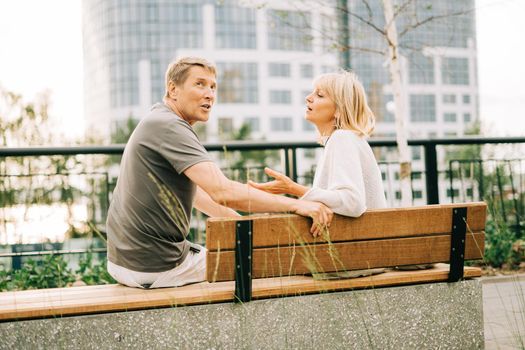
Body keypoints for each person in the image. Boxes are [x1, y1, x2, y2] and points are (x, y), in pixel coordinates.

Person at [106, 56, 333, 289]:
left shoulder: (159, 119)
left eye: (213, 87)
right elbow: (223, 191)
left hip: (123, 262)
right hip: (155, 266)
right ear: (173, 89)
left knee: (249, 253)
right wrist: (297, 205)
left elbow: (199, 196)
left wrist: (244, 227)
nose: (210, 94)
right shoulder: (169, 126)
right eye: (200, 84)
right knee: (274, 263)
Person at [249, 71, 387, 217]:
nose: (308, 98)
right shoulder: (345, 139)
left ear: (339, 110)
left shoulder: (342, 138)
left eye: (320, 95)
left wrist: (292, 188)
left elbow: (352, 202)